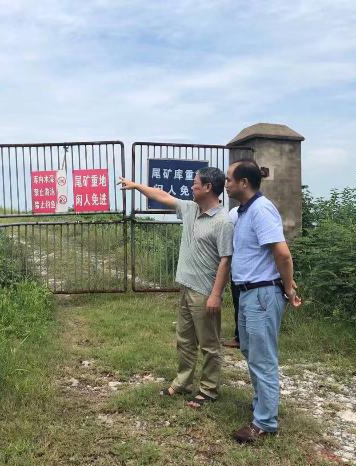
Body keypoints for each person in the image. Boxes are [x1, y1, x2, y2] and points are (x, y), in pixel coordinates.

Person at [119, 167, 233, 408]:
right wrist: (137, 186)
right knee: (184, 340)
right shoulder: (190, 208)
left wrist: (215, 295)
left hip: (205, 292)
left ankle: (209, 390)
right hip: (186, 286)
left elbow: (226, 260)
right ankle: (183, 383)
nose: (192, 186)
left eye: (195, 183)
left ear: (208, 187)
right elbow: (163, 196)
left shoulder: (223, 221)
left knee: (209, 344)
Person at [224, 160, 302, 443]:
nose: (226, 184)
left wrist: (288, 287)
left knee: (263, 357)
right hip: (247, 293)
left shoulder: (261, 209)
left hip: (262, 294)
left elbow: (282, 254)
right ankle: (262, 404)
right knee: (250, 350)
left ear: (244, 183)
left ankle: (265, 422)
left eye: (229, 179)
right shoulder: (241, 212)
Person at [222, 206, 241, 349]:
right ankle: (242, 336)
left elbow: (227, 238)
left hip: (240, 269)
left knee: (239, 303)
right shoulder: (235, 212)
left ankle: (240, 337)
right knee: (240, 303)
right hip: (240, 269)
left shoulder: (234, 212)